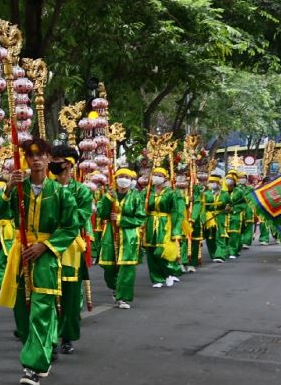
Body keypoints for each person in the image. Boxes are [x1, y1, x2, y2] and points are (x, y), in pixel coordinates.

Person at [0, 138, 79, 385]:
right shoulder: (19, 189)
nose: (36, 159)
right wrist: (8, 189)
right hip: (20, 257)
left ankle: (33, 366)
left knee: (41, 309)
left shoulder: (61, 192)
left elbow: (71, 226)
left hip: (46, 257)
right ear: (25, 160)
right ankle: (38, 353)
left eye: (41, 155)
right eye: (31, 156)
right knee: (22, 314)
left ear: (49, 158)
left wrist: (45, 246)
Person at [49, 145, 89, 357]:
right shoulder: (46, 187)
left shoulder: (81, 191)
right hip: (46, 247)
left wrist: (64, 191)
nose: (55, 164)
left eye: (59, 160)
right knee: (48, 295)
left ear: (70, 164)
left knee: (70, 297)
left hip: (71, 250)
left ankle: (68, 336)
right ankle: (50, 339)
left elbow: (77, 220)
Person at [95, 168, 143, 308]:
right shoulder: (110, 195)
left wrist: (121, 219)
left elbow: (140, 218)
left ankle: (123, 297)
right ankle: (116, 287)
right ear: (115, 179)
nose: (124, 180)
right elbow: (101, 214)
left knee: (126, 268)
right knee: (108, 267)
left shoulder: (136, 196)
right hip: (110, 234)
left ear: (130, 181)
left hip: (128, 236)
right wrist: (107, 199)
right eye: (121, 176)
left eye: (126, 177)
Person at [141, 167, 183, 289]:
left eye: (160, 175)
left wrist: (176, 229)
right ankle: (156, 278)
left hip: (165, 224)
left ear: (165, 178)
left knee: (161, 251)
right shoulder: (147, 192)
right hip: (150, 223)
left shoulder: (171, 192)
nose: (157, 178)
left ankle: (168, 273)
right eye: (155, 175)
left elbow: (176, 212)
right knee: (150, 253)